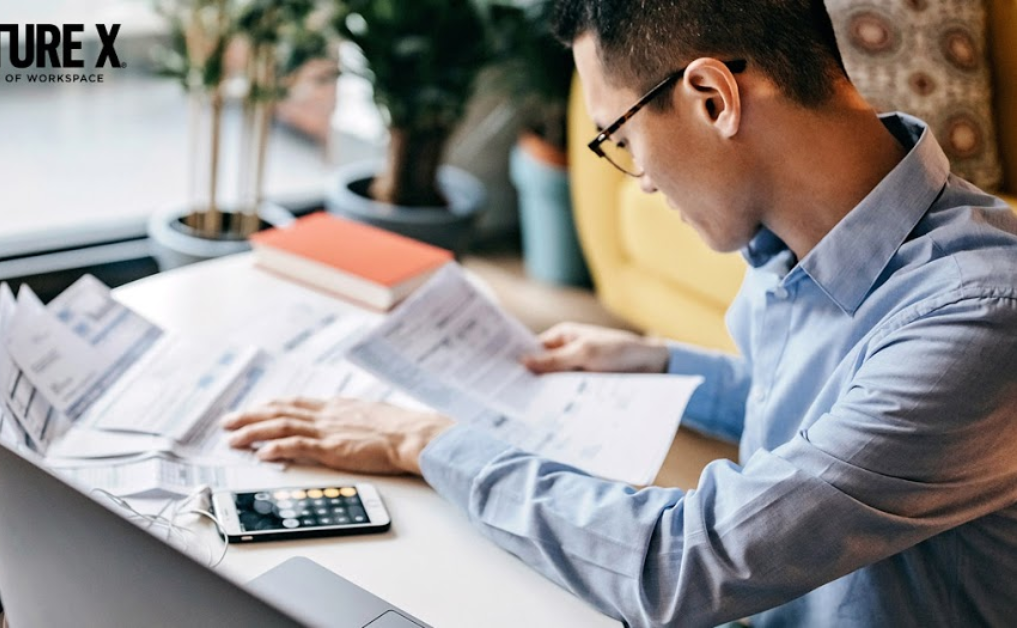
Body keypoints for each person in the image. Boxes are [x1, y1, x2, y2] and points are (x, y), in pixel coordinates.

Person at [221, 0, 1017, 624]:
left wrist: (423, 442)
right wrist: (656, 361)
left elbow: (683, 565)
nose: (639, 178)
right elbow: (827, 408)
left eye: (620, 138)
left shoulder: (979, 319)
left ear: (712, 97)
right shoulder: (805, 239)